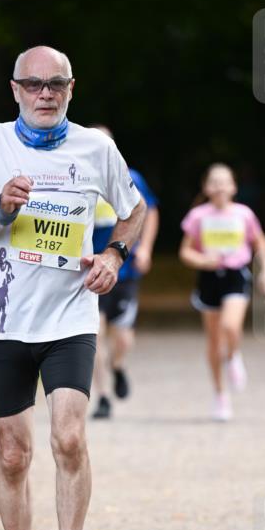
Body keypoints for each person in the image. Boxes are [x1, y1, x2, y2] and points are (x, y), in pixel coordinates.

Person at [0, 46, 146, 530]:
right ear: (14, 89)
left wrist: (114, 253)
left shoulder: (95, 147)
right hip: (5, 321)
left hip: (70, 317)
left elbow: (135, 210)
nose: (44, 94)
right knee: (13, 452)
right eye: (33, 85)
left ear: (70, 88)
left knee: (68, 437)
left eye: (55, 84)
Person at [179, 163, 265, 421]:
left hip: (236, 275)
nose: (220, 186)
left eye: (225, 181)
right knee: (212, 341)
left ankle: (233, 356)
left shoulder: (243, 214)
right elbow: (185, 251)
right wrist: (202, 260)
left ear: (233, 187)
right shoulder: (198, 216)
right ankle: (220, 395)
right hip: (209, 279)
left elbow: (260, 242)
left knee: (230, 328)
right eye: (214, 182)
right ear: (206, 187)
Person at [90, 125, 159, 419]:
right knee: (94, 335)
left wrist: (145, 249)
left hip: (125, 269)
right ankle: (103, 396)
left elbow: (150, 212)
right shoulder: (76, 177)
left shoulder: (131, 177)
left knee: (121, 337)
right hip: (89, 269)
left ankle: (118, 366)